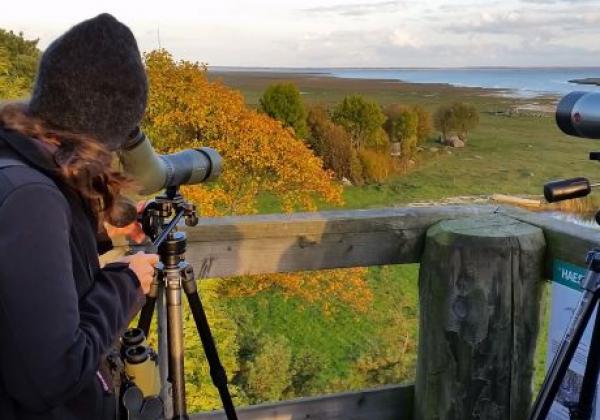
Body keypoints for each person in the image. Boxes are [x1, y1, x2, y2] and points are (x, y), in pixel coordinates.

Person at [0, 14, 158, 419]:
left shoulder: (14, 161)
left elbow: (23, 270)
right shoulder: (32, 200)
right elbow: (51, 376)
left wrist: (103, 231)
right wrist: (127, 283)